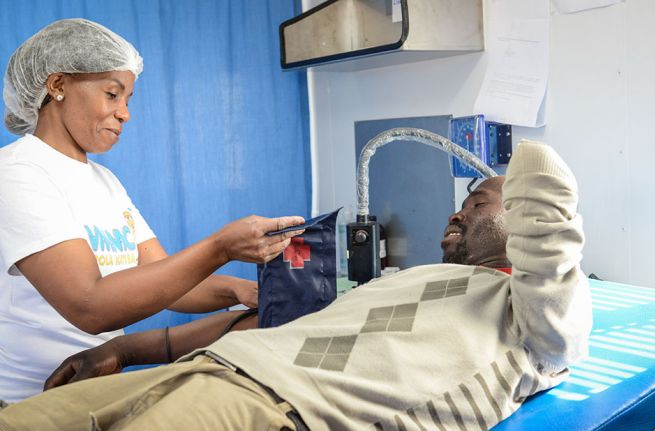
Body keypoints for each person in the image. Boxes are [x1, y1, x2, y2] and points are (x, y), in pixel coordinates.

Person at [0, 140, 592, 430]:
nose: (456, 214)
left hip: (275, 408)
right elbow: (277, 324)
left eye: (477, 203)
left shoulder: (542, 312)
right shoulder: (410, 280)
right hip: (215, 365)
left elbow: (548, 216)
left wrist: (510, 179)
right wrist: (123, 349)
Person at [0, 18, 305, 402]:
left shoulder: (104, 182)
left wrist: (245, 291)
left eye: (128, 99)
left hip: (98, 392)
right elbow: (88, 307)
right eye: (112, 94)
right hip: (34, 402)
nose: (125, 113)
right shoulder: (15, 174)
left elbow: (164, 282)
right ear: (57, 85)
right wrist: (221, 247)